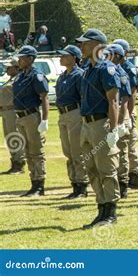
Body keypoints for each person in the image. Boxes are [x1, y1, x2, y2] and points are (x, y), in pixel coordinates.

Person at [76, 29, 121, 228]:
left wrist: (113, 129)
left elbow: (113, 101)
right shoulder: (88, 69)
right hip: (87, 123)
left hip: (101, 123)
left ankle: (110, 211)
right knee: (91, 168)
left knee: (106, 168)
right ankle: (101, 206)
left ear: (97, 45)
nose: (81, 47)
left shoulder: (106, 69)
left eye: (85, 43)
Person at [12, 46, 49, 197]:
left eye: (22, 58)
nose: (19, 61)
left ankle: (39, 184)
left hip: (32, 116)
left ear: (30, 59)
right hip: (21, 117)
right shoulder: (21, 75)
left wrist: (45, 120)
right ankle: (33, 182)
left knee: (36, 151)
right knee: (27, 151)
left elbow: (44, 98)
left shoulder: (36, 75)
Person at [55, 45, 88, 199]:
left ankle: (81, 185)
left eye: (64, 55)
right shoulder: (63, 76)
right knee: (68, 151)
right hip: (63, 114)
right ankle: (74, 183)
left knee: (77, 151)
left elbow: (83, 97)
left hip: (75, 113)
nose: (61, 58)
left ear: (74, 58)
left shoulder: (79, 75)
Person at [103, 44, 132, 199]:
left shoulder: (121, 73)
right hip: (111, 115)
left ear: (119, 57)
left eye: (111, 54)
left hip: (120, 115)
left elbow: (125, 99)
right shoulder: (106, 71)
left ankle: (123, 184)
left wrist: (120, 122)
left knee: (121, 151)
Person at [113, 39, 138, 190]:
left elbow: (132, 94)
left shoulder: (128, 69)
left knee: (129, 145)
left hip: (127, 109)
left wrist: (128, 116)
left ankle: (133, 176)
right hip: (119, 110)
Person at [0, 57, 26, 175]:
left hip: (13, 111)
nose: (7, 69)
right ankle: (14, 162)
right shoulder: (10, 80)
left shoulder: (19, 79)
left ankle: (19, 163)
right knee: (9, 137)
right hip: (5, 111)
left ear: (17, 67)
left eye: (9, 67)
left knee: (15, 137)